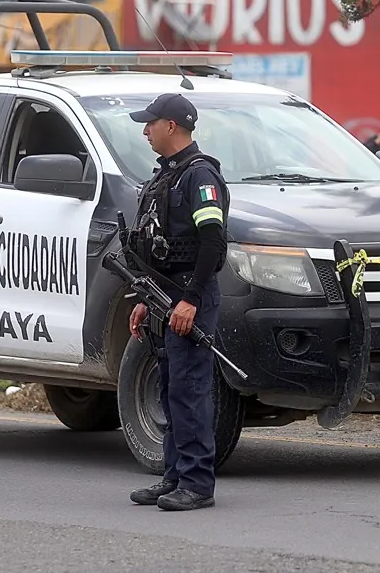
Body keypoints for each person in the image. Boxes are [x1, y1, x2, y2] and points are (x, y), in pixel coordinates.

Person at [124, 92, 229, 512]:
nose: (145, 130)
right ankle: (174, 477)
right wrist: (145, 301)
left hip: (189, 297)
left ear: (171, 126)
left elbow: (212, 242)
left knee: (189, 391)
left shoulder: (200, 177)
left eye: (150, 123)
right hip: (164, 297)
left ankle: (198, 483)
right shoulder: (166, 175)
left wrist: (190, 299)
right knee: (169, 389)